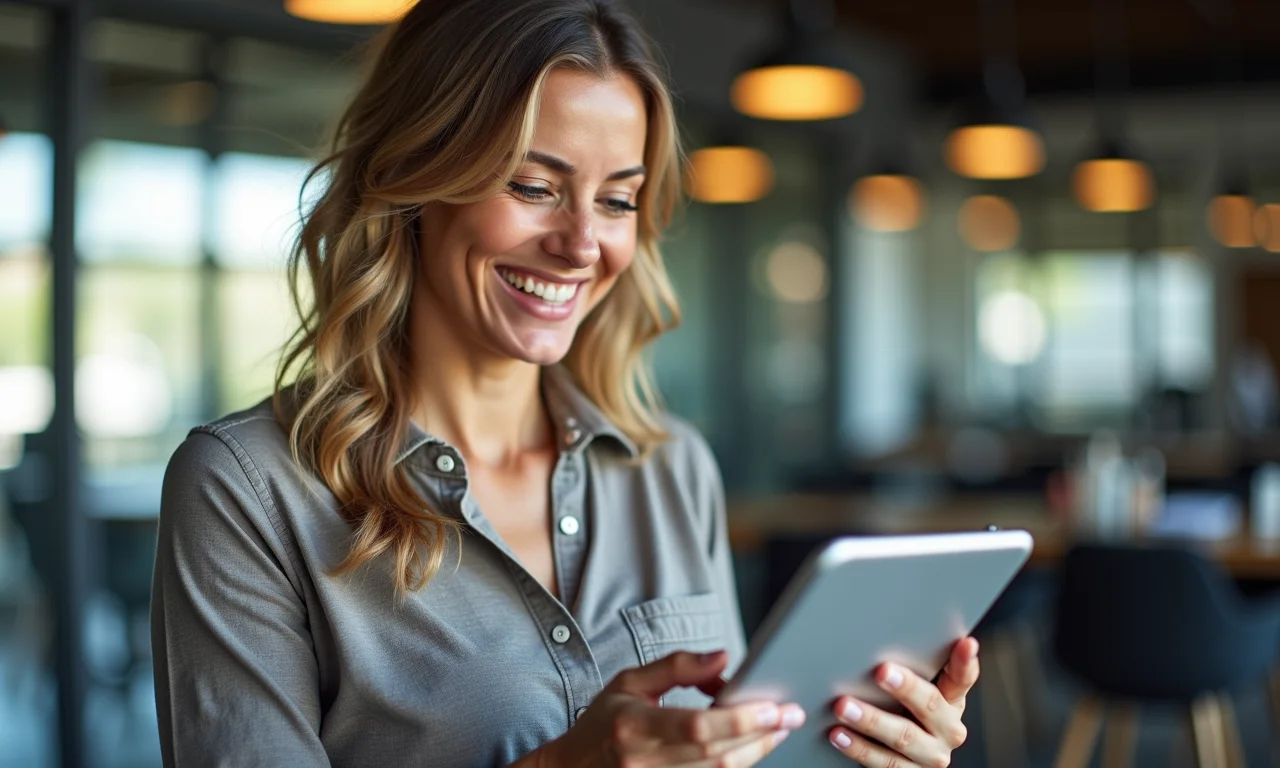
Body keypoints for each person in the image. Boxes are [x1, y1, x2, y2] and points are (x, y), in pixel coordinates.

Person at [150, 1, 979, 766]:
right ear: (412, 179)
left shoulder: (672, 468)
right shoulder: (247, 493)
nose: (583, 244)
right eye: (534, 187)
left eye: (618, 201)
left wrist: (858, 750)